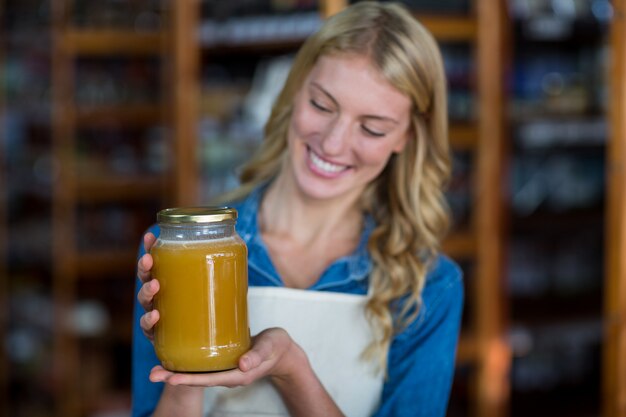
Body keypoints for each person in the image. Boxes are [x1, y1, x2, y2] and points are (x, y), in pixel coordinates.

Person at [132, 2, 464, 416]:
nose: (333, 142)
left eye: (372, 127)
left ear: (407, 137)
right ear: (294, 92)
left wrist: (292, 370)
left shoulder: (429, 285)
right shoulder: (182, 249)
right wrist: (181, 370)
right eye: (322, 105)